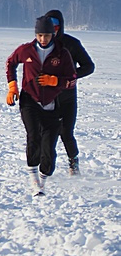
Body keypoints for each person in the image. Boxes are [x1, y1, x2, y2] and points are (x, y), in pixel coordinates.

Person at [5, 16, 77, 196]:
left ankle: (43, 180)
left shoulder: (62, 54)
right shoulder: (26, 50)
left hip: (52, 105)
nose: (43, 39)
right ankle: (33, 179)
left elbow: (72, 80)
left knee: (49, 151)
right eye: (39, 35)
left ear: (53, 34)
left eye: (46, 35)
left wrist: (56, 81)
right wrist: (12, 86)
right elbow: (10, 63)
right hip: (30, 100)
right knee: (33, 136)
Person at [44, 9, 95, 175]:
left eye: (56, 25)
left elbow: (89, 66)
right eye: (49, 24)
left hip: (67, 98)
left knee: (66, 132)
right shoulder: (40, 44)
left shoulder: (72, 44)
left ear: (61, 26)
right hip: (46, 98)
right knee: (45, 133)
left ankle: (73, 162)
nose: (53, 29)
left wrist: (71, 75)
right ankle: (45, 167)